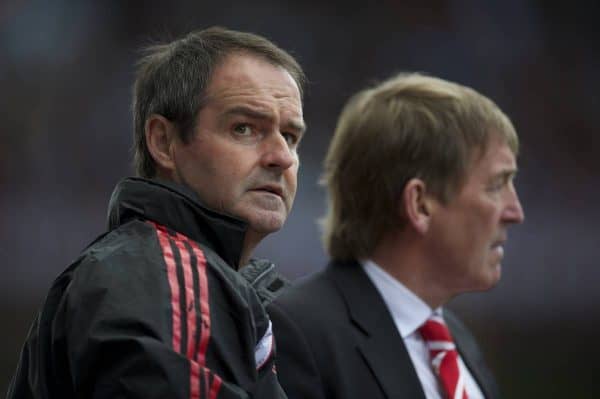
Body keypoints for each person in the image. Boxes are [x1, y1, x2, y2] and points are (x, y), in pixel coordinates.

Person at [7, 26, 306, 399]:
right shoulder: (162, 276)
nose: (281, 157)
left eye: (291, 137)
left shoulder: (207, 285)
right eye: (244, 128)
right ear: (163, 143)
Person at [269, 73, 524, 399]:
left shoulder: (456, 340)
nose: (515, 212)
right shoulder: (302, 334)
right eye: (496, 185)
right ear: (419, 204)